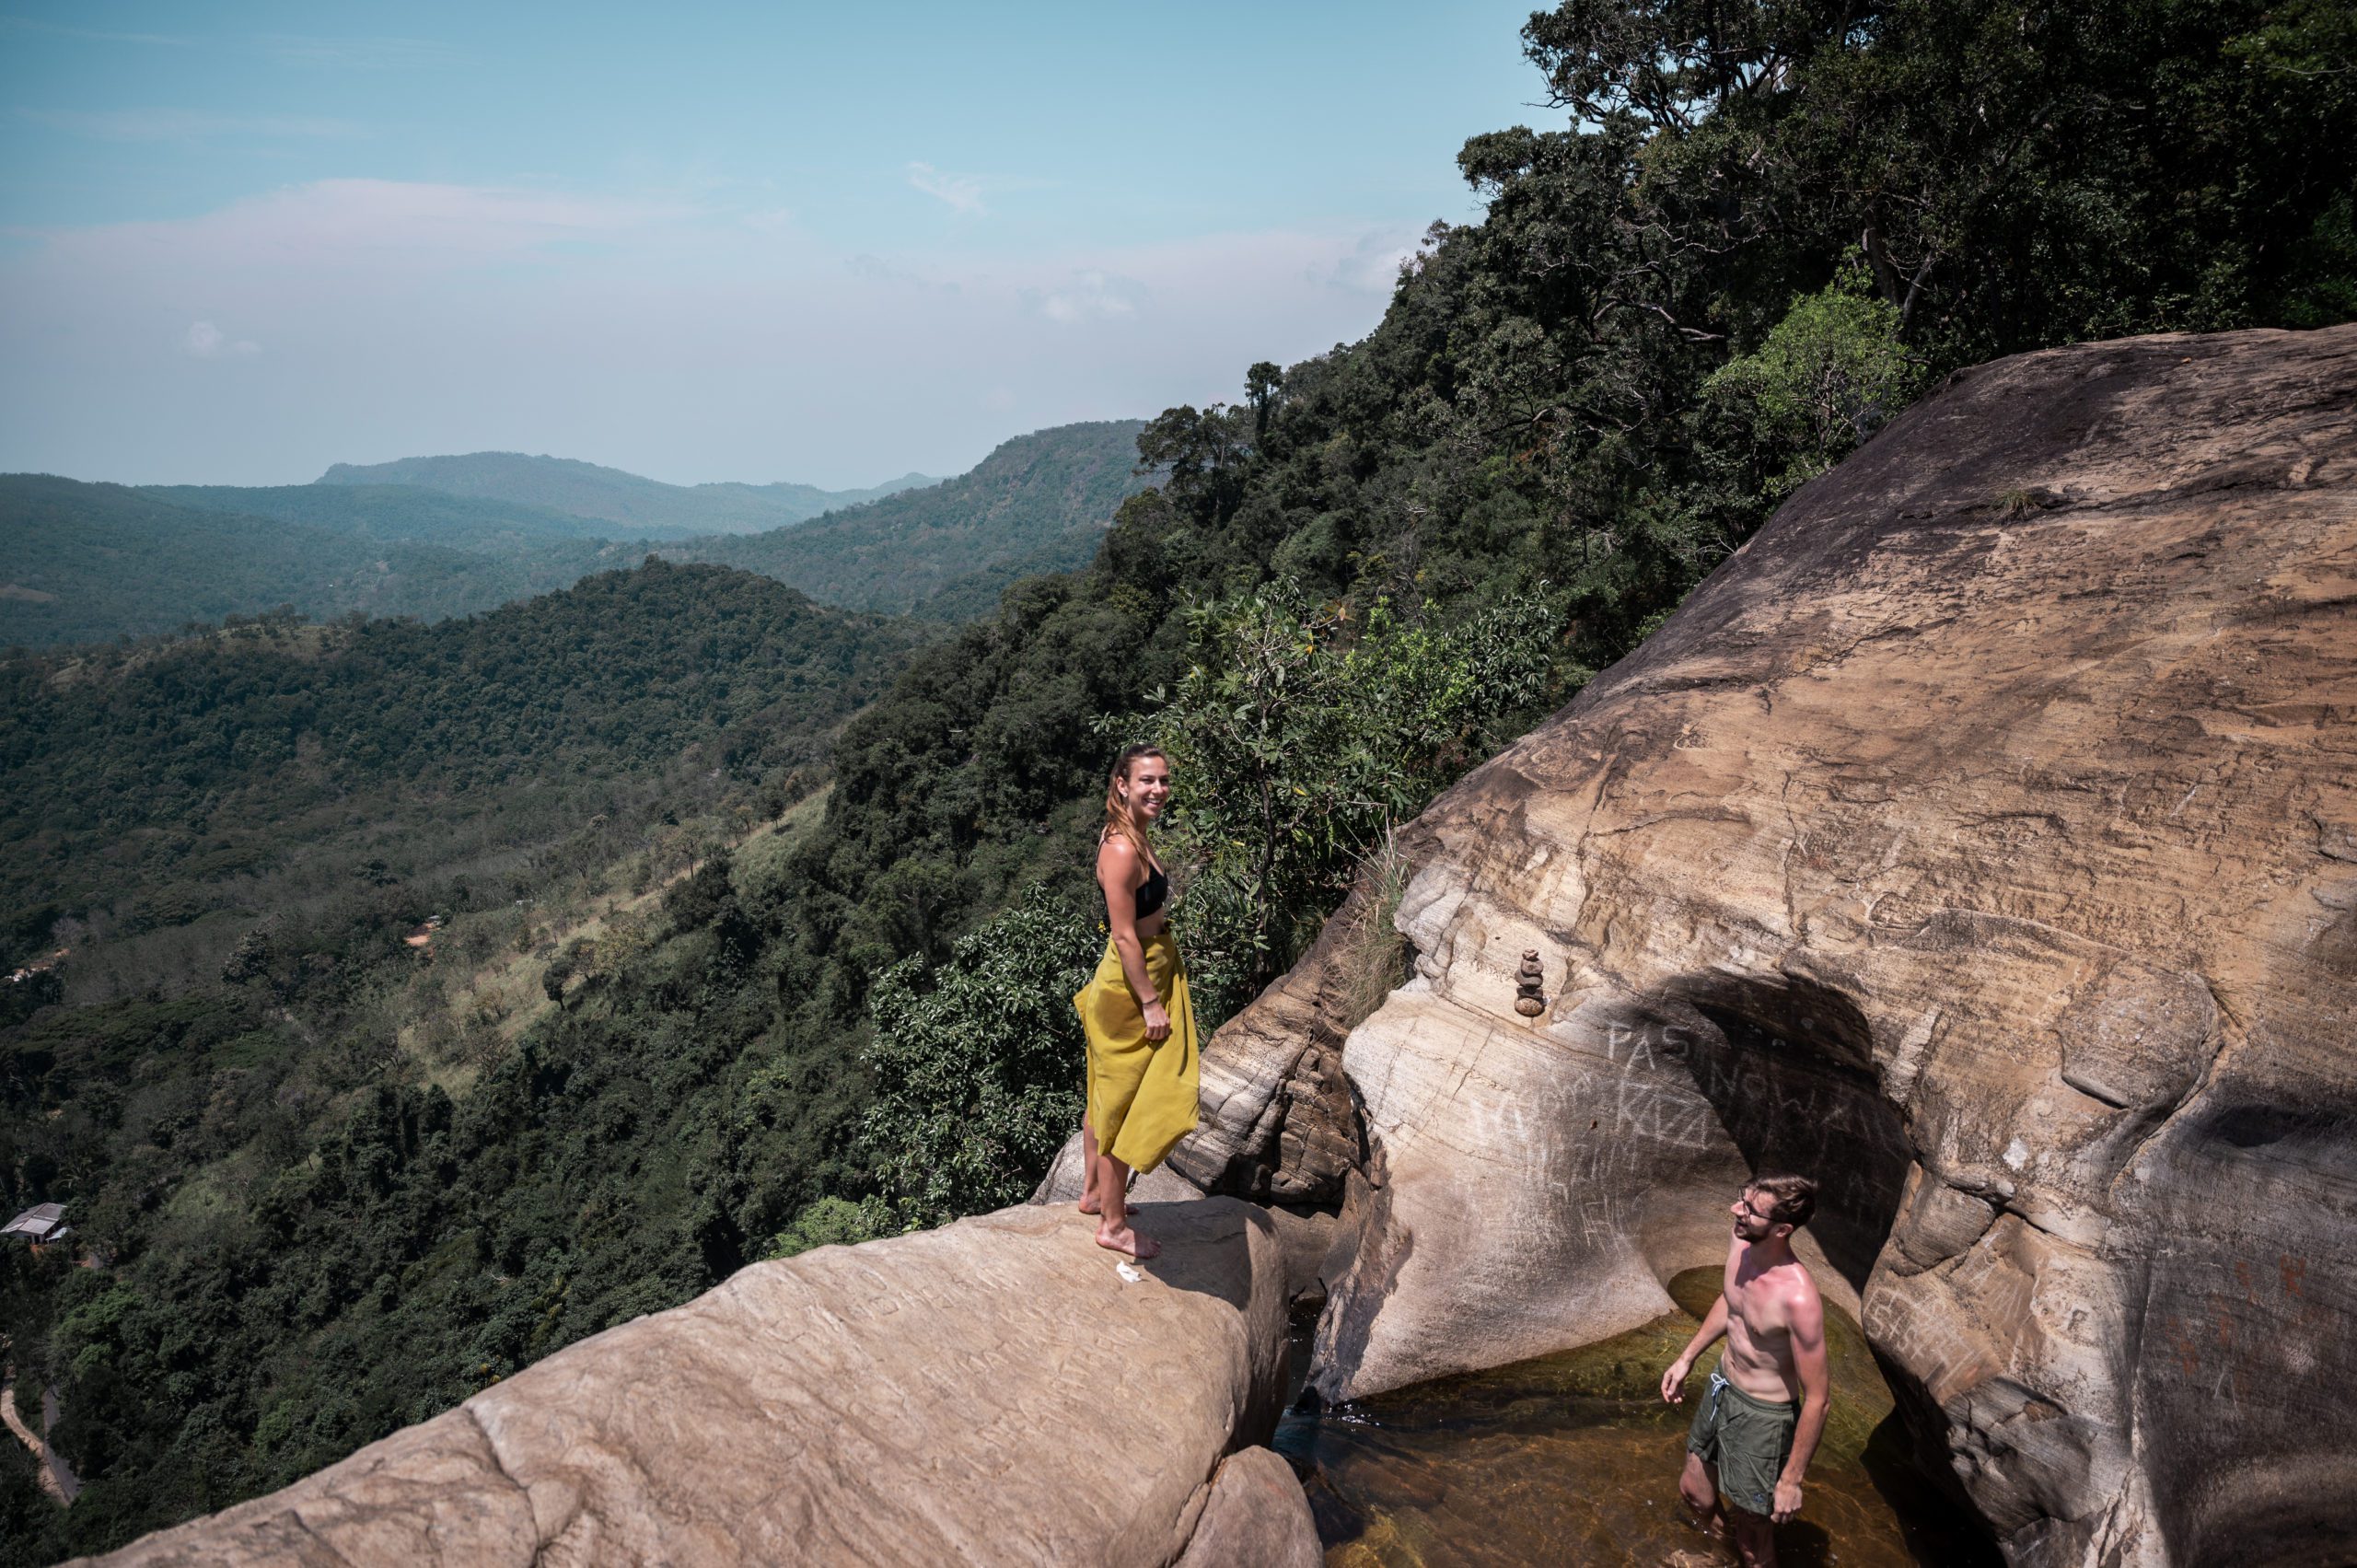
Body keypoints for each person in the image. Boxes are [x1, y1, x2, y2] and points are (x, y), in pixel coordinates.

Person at [1660, 1173, 1830, 1568]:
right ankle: (1723, 1557)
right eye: (1742, 1199)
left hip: (1763, 1416)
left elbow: (1818, 1400)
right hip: (1722, 1386)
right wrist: (1688, 1358)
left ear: (1783, 1229)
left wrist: (1791, 1481)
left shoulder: (1798, 1298)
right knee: (1694, 1492)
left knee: (1754, 1535)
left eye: (1751, 1210)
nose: (1737, 1210)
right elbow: (1732, 1300)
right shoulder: (1741, 1239)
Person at [1071, 744, 1200, 1259]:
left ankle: (1094, 1193)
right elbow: (1124, 935)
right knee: (1124, 1104)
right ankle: (1113, 1225)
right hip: (1132, 984)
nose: (1158, 790)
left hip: (1142, 971)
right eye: (1147, 780)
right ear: (1121, 784)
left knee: (1104, 1093)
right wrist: (1150, 1002)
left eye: (1164, 780)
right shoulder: (1121, 848)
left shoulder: (1133, 835)